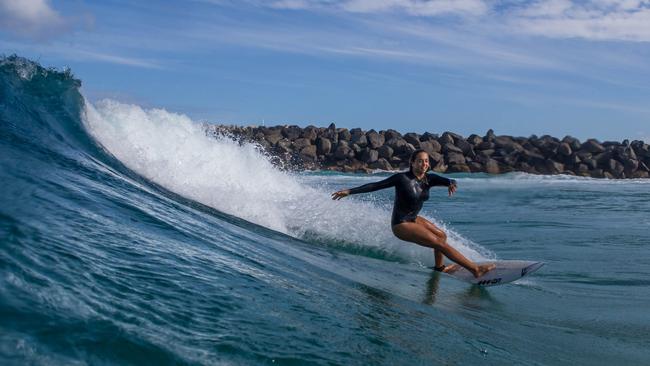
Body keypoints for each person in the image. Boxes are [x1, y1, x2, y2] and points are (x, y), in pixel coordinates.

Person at [331, 149, 494, 278]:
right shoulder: (402, 179)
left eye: (426, 161)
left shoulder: (429, 179)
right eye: (420, 161)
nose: (424, 164)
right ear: (412, 163)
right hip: (401, 224)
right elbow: (376, 185)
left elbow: (450, 180)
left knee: (442, 236)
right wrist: (349, 191)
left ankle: (439, 268)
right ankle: (475, 270)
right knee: (439, 243)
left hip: (413, 219)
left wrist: (452, 183)